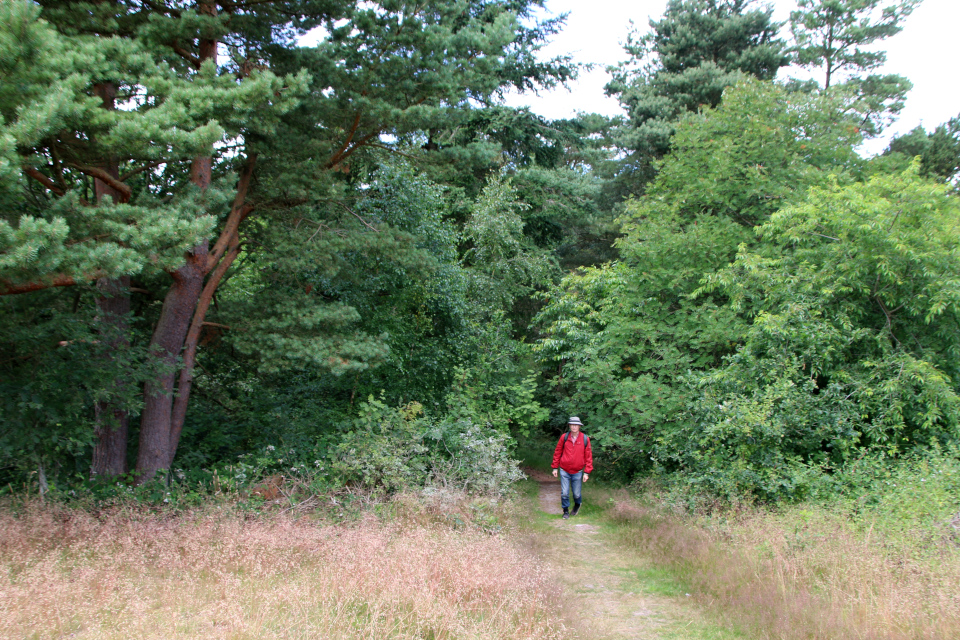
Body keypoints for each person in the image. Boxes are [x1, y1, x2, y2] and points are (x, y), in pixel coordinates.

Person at [551, 416, 593, 519]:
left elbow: (588, 456)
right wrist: (555, 467)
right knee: (564, 493)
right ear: (569, 426)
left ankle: (577, 505)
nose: (574, 427)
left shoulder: (585, 439)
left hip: (577, 471)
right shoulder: (564, 437)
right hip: (564, 470)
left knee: (577, 494)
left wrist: (586, 472)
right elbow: (557, 452)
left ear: (579, 426)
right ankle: (565, 511)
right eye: (572, 425)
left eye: (576, 425)